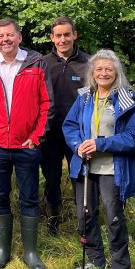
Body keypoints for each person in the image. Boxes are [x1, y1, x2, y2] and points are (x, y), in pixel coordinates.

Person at [62, 49, 135, 269]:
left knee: (113, 218)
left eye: (108, 69)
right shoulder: (84, 97)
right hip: (86, 167)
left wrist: (100, 143)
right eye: (98, 69)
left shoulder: (127, 99)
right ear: (92, 72)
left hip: (113, 169)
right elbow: (69, 126)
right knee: (85, 214)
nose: (103, 73)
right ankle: (96, 260)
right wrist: (78, 146)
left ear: (116, 72)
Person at [0, 18, 52, 269]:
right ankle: (3, 251)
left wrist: (37, 136)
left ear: (19, 37)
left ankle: (30, 252)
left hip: (27, 144)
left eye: (10, 35)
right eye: (0, 36)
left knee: (29, 197)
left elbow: (46, 104)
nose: (5, 39)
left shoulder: (36, 63)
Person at [41, 16, 89, 235]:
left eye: (66, 34)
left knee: (79, 177)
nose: (63, 39)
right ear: (52, 38)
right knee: (51, 179)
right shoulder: (42, 63)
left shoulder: (88, 63)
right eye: (58, 35)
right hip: (50, 133)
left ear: (74, 35)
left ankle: (84, 222)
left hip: (78, 134)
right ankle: (53, 219)